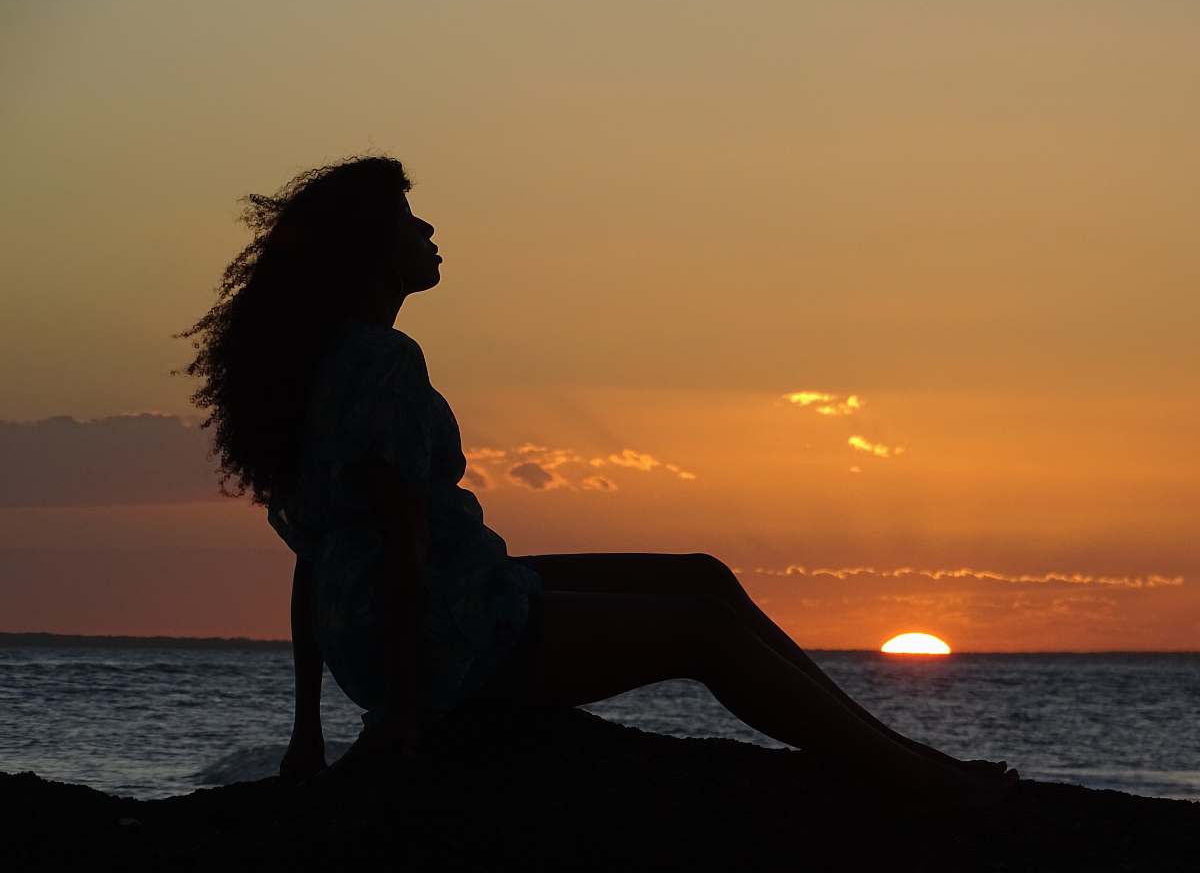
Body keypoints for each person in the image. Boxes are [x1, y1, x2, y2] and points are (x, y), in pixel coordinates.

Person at [174, 154, 1016, 808]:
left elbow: (317, 559)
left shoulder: (318, 368)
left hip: (421, 621)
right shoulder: (383, 360)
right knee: (703, 633)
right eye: (405, 219)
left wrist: (310, 732)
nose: (427, 227)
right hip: (446, 634)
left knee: (699, 576)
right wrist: (400, 713)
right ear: (369, 250)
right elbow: (399, 536)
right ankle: (915, 779)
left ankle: (895, 750)